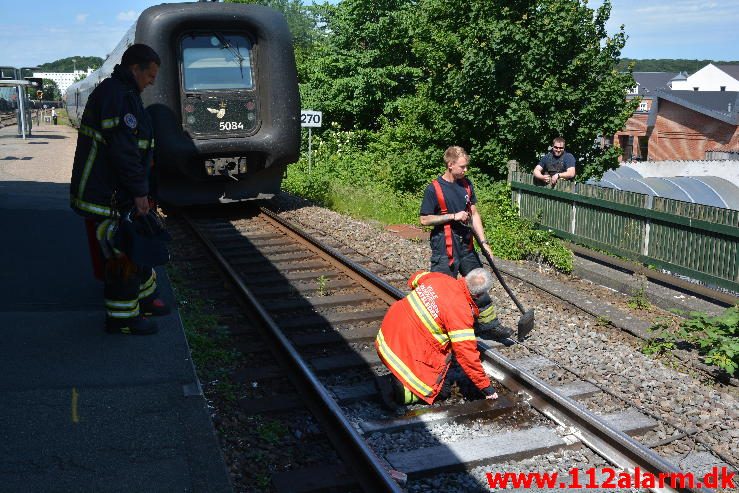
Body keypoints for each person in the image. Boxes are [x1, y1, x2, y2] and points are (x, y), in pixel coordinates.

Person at [70, 44, 168, 335]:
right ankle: (122, 319)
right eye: (149, 74)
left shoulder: (125, 94)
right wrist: (140, 193)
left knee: (135, 245)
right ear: (134, 68)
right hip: (107, 196)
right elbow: (124, 151)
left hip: (117, 192)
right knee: (120, 253)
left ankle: (145, 299)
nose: (152, 81)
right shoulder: (117, 96)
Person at [419, 146, 511, 340]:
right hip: (444, 247)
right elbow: (425, 219)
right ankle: (438, 331)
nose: (465, 170)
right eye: (462, 167)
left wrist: (484, 243)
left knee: (479, 282)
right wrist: (452, 216)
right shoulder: (434, 189)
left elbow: (474, 214)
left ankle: (488, 326)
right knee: (442, 290)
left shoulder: (466, 185)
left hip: (467, 245)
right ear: (450, 165)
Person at [374, 268, 499, 408]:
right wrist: (485, 387)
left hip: (387, 333)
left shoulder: (440, 278)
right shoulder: (460, 310)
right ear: (478, 294)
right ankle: (392, 387)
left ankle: (398, 380)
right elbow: (466, 354)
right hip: (403, 347)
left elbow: (415, 278)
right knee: (439, 391)